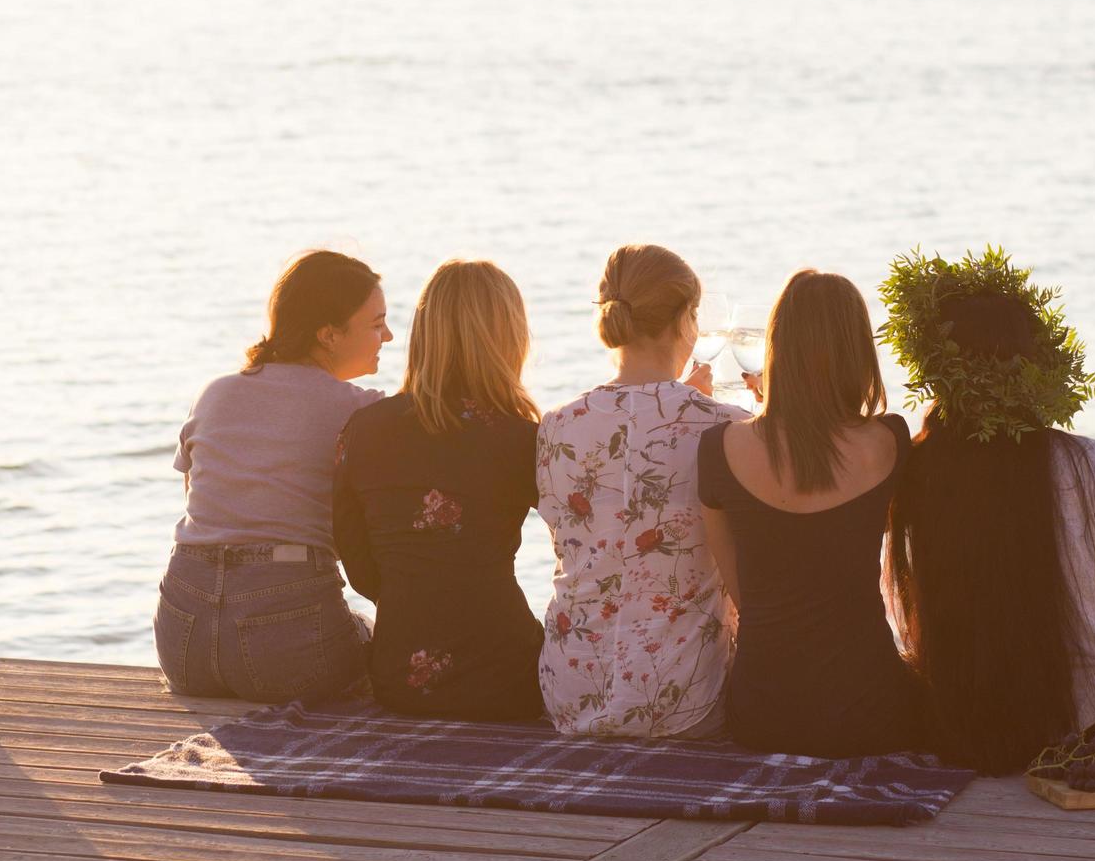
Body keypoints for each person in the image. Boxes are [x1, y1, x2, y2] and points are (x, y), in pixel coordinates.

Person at [879, 248, 1095, 775]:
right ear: (1036, 366)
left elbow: (908, 629)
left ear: (937, 371)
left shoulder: (912, 466)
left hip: (957, 728)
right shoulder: (1087, 462)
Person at [697, 270, 922, 758]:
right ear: (859, 352)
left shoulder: (720, 448)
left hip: (763, 715)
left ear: (778, 348)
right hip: (869, 712)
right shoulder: (889, 441)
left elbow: (744, 595)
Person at [156, 250, 391, 702]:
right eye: (376, 323)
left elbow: (197, 498)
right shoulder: (360, 410)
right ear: (328, 334)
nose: (388, 335)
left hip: (183, 640)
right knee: (375, 639)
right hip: (284, 639)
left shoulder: (215, 392)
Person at [536, 244, 747, 737]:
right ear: (685, 322)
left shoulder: (556, 425)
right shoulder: (726, 427)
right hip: (682, 697)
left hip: (570, 691)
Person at [332, 260, 545, 720]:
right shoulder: (520, 438)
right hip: (506, 674)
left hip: (401, 677)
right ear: (510, 338)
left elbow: (360, 570)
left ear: (424, 332)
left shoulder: (365, 429)